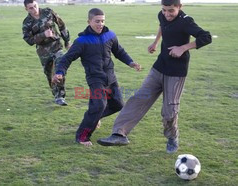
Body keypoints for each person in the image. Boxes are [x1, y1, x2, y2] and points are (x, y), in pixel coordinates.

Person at [97, 0, 212, 154]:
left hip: (176, 72)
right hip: (159, 67)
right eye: (164, 10)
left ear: (180, 7)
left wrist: (183, 48)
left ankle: (172, 137)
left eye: (171, 10)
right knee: (139, 98)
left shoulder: (186, 22)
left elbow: (206, 37)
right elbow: (162, 26)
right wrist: (156, 42)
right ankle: (119, 134)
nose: (167, 14)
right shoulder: (162, 15)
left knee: (169, 111)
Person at [52, 8, 141, 146]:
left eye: (103, 21)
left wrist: (130, 62)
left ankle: (94, 117)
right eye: (97, 21)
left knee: (118, 104)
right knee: (99, 105)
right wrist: (59, 72)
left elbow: (119, 51)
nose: (100, 24)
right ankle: (82, 136)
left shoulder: (110, 35)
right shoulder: (82, 41)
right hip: (95, 79)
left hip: (111, 77)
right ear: (89, 21)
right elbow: (66, 59)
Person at [22, 0, 71, 106]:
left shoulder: (48, 12)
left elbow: (61, 25)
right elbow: (29, 40)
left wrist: (67, 40)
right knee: (49, 74)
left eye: (35, 6)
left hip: (56, 46)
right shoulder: (27, 22)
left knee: (59, 69)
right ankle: (56, 93)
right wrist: (43, 34)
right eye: (31, 8)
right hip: (43, 52)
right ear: (26, 9)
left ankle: (60, 97)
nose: (34, 9)